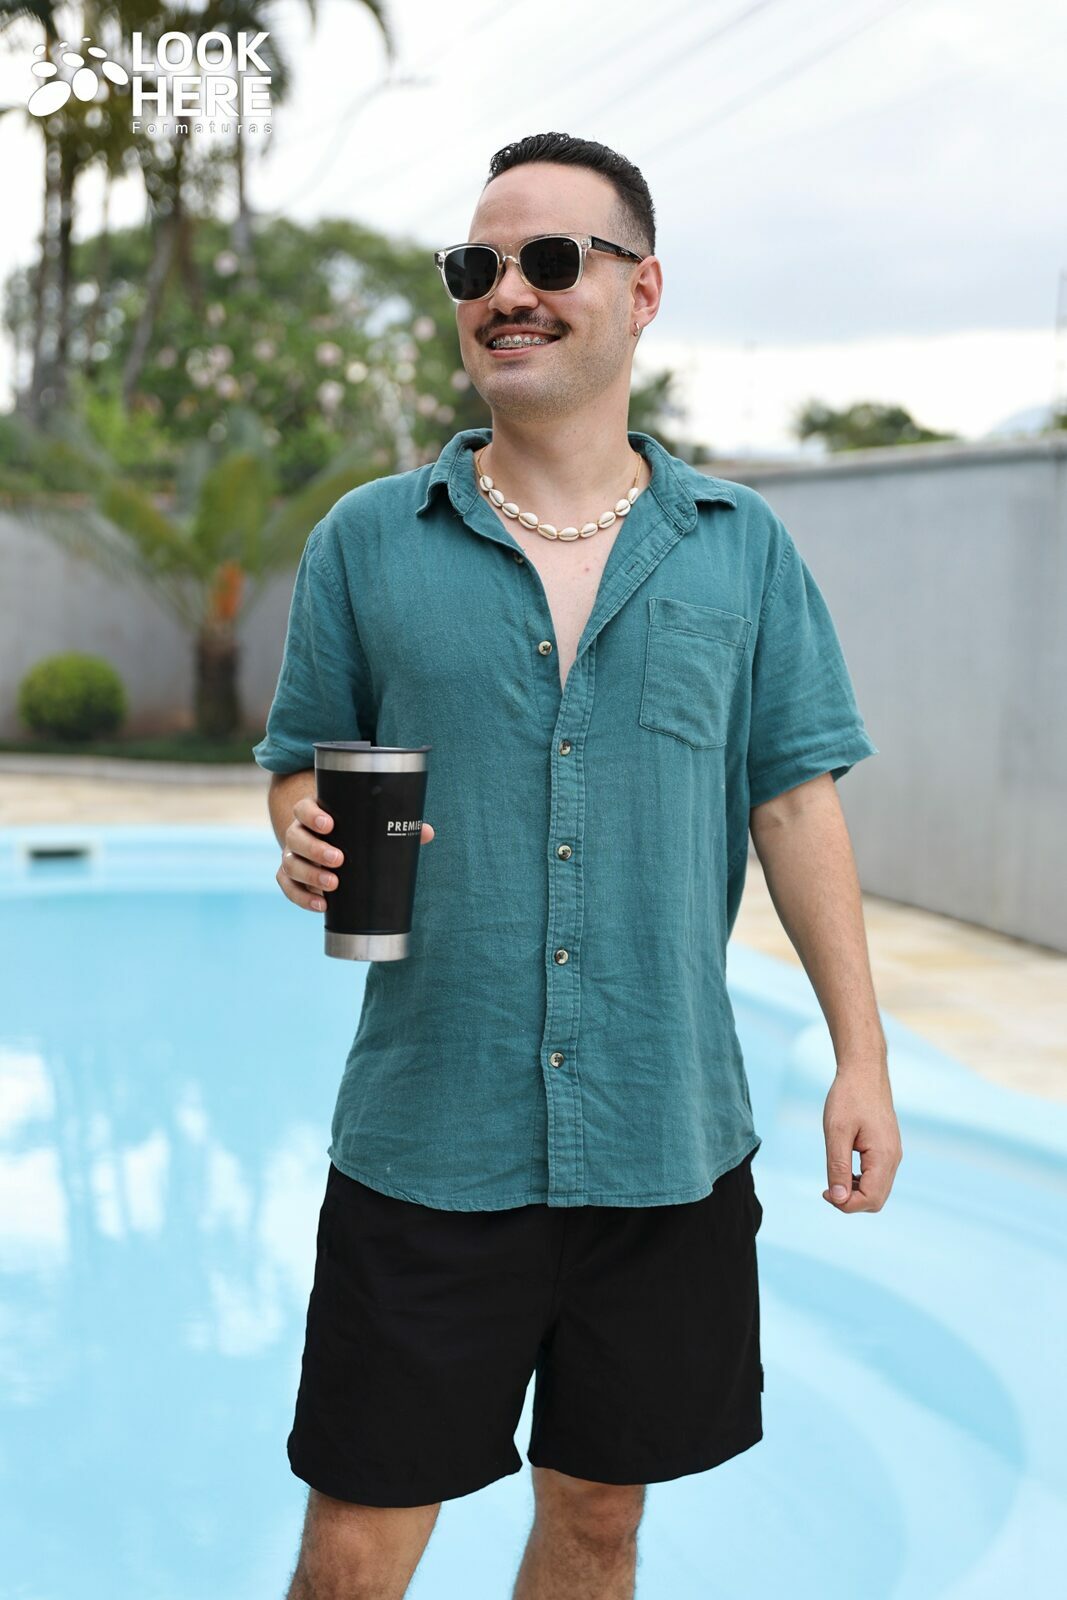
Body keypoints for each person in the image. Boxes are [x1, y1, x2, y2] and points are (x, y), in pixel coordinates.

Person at [253, 130, 903, 1600]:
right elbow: (304, 757)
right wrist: (298, 822)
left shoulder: (740, 548)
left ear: (642, 289)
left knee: (603, 1519)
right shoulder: (368, 541)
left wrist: (860, 1060)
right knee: (355, 1549)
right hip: (429, 1142)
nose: (508, 292)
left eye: (551, 258)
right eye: (476, 266)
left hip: (664, 1144)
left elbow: (796, 806)